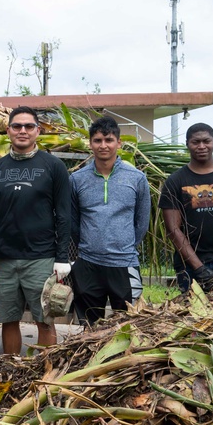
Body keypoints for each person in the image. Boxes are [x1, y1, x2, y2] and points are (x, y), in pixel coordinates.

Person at [0, 106, 71, 355]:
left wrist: (62, 257)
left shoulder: (53, 167)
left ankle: (45, 375)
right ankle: (11, 372)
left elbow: (64, 215)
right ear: (8, 130)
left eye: (29, 126)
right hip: (4, 259)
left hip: (41, 258)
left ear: (37, 131)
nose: (23, 131)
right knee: (8, 320)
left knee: (45, 319)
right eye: (17, 126)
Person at [69, 116, 150, 324]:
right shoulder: (77, 179)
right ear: (90, 144)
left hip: (125, 264)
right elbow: (73, 222)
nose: (103, 145)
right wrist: (89, 246)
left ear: (119, 143)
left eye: (108, 140)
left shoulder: (136, 178)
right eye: (97, 140)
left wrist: (125, 246)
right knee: (89, 327)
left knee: (128, 326)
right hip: (88, 265)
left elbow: (141, 222)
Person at [159, 122, 213, 293]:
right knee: (194, 317)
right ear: (187, 144)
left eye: (206, 141)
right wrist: (198, 267)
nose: (201, 146)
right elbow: (173, 228)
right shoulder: (175, 181)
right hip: (190, 265)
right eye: (195, 142)